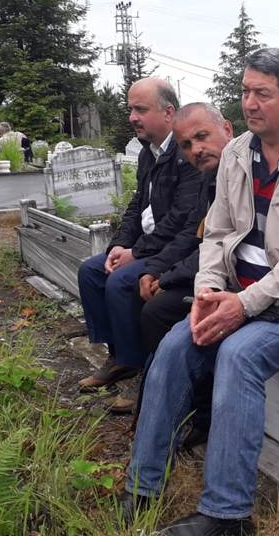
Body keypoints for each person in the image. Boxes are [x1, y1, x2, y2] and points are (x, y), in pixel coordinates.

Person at [121, 47, 279, 535]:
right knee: (174, 345)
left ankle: (227, 515)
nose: (249, 103)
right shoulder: (236, 153)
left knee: (238, 355)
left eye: (262, 93)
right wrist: (208, 289)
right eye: (246, 91)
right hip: (234, 291)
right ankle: (142, 486)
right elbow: (217, 233)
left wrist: (244, 306)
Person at [106, 102, 232, 435]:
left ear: (227, 130)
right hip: (206, 268)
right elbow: (195, 231)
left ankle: (195, 410)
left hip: (232, 276)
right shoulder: (209, 176)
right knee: (143, 293)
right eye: (187, 145)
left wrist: (169, 276)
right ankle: (158, 391)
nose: (196, 150)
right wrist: (156, 269)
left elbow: (221, 244)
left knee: (159, 310)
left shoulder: (237, 175)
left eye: (202, 137)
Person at [76, 78, 201, 393]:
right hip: (147, 245)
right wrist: (119, 245)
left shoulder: (185, 153)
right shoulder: (149, 153)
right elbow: (137, 206)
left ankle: (139, 367)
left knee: (120, 282)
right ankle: (119, 355)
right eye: (131, 109)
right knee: (91, 271)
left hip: (173, 249)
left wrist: (137, 252)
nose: (132, 117)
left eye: (141, 110)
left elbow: (180, 219)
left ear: (168, 112)